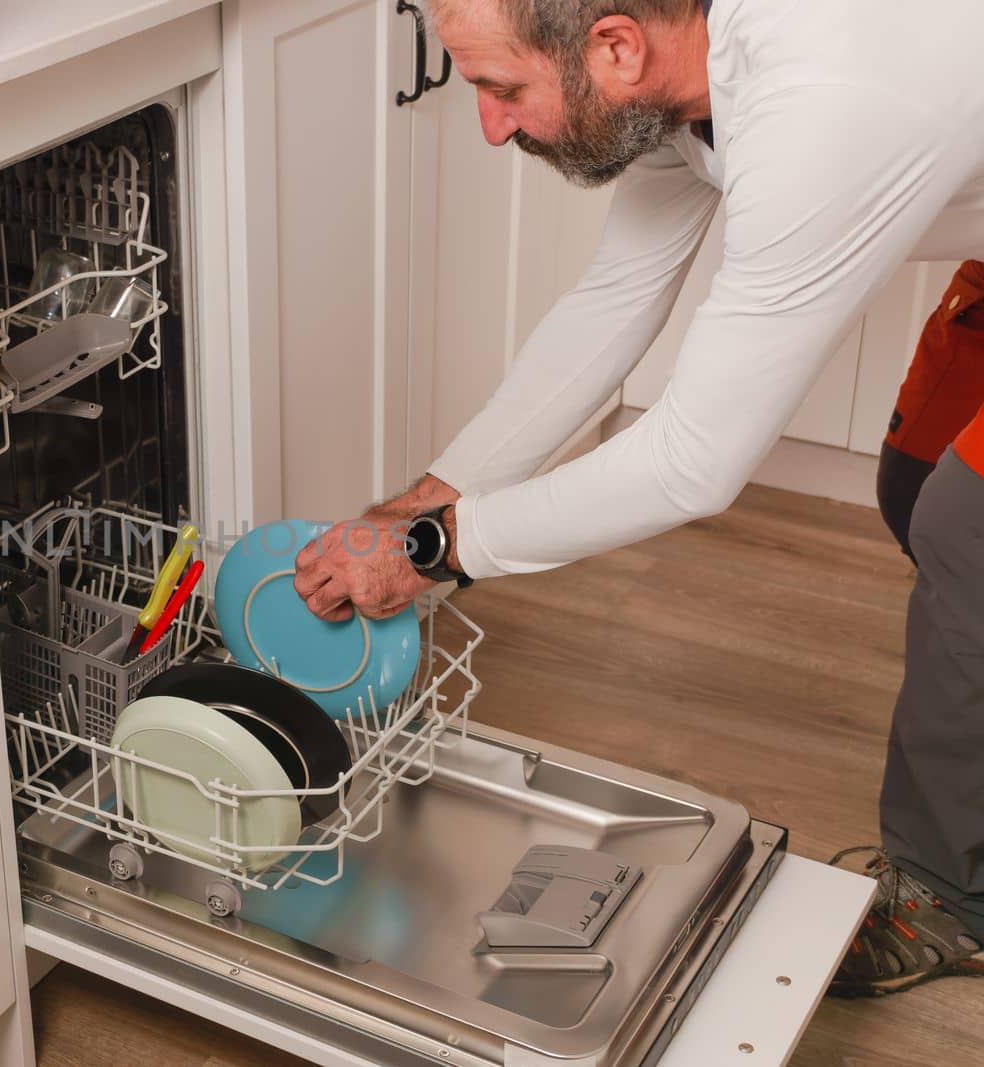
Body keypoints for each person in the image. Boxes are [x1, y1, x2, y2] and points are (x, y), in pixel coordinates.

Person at [291, 0, 984, 997]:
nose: (490, 126)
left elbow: (692, 460)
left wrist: (437, 548)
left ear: (614, 47)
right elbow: (615, 296)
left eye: (501, 88)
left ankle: (951, 896)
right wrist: (434, 494)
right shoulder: (674, 82)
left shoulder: (823, 104)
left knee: (966, 523)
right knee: (916, 483)